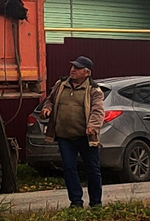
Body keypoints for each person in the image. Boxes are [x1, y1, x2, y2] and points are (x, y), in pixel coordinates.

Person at [41, 55, 104, 208]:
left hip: (85, 136)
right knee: (69, 167)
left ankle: (96, 203)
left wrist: (92, 126)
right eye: (73, 67)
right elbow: (50, 99)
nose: (73, 70)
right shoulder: (61, 84)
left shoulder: (94, 90)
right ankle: (76, 202)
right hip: (64, 136)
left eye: (77, 68)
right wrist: (47, 107)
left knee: (92, 169)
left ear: (87, 72)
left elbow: (98, 110)